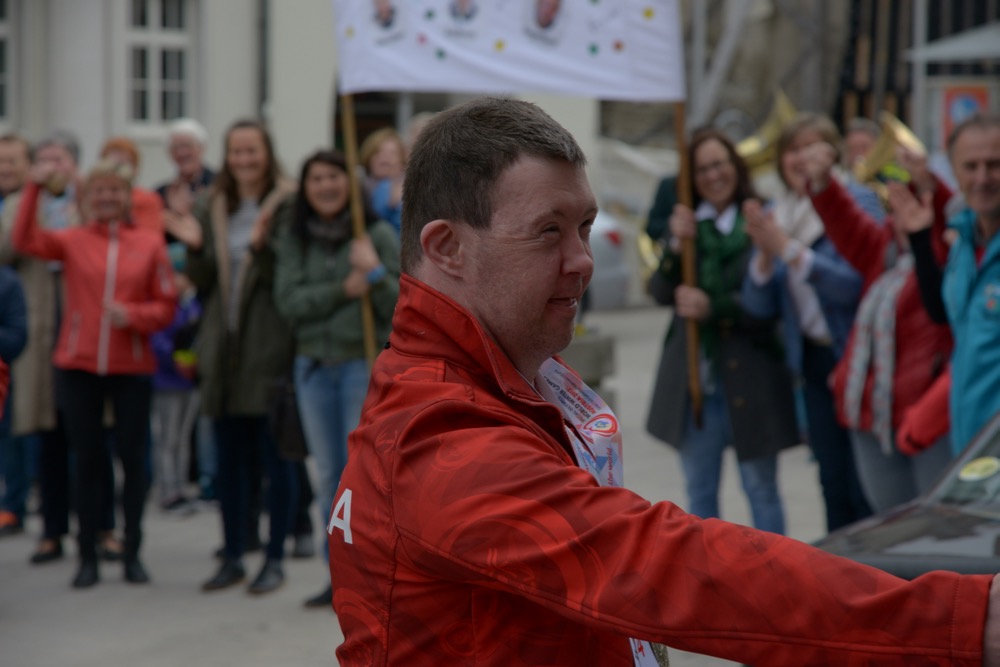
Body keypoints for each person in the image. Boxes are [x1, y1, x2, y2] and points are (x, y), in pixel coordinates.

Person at [325, 97, 1000, 665]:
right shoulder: (437, 432)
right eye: (548, 232)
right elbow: (666, 565)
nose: (583, 260)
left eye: (585, 226)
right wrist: (966, 619)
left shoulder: (490, 379)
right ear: (447, 247)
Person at [13, 158, 177, 588]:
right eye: (99, 190)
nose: (107, 198)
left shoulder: (149, 243)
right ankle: (86, 554)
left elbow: (166, 305)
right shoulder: (72, 239)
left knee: (133, 462)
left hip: (131, 367)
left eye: (114, 190)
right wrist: (33, 188)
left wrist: (134, 315)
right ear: (86, 197)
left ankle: (132, 551)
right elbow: (23, 239)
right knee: (86, 461)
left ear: (127, 196)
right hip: (79, 365)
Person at [646, 127, 798, 535]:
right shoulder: (687, 226)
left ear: (736, 166)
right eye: (702, 170)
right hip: (696, 385)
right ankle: (709, 573)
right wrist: (674, 247)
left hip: (752, 376)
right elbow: (659, 292)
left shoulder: (760, 220)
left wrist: (712, 308)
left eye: (719, 164)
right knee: (700, 497)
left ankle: (773, 570)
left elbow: (769, 305)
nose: (713, 176)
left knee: (761, 490)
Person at [174, 119, 299, 595]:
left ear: (267, 153)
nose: (244, 160)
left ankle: (274, 557)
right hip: (221, 348)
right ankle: (232, 555)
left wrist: (263, 246)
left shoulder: (287, 202)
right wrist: (193, 245)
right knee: (228, 462)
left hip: (267, 345)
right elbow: (204, 279)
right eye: (236, 152)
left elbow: (285, 274)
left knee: (275, 460)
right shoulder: (213, 204)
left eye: (252, 151)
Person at [801, 132, 955, 512]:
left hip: (925, 415)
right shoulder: (885, 250)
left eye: (914, 202)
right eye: (898, 202)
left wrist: (930, 188)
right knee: (889, 520)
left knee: (933, 521)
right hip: (870, 413)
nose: (904, 212)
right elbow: (846, 224)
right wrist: (823, 183)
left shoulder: (946, 253)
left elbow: (945, 216)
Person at [272, 149, 400, 608]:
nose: (326, 185)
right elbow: (289, 302)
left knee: (359, 477)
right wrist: (343, 289)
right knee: (328, 477)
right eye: (317, 178)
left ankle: (375, 576)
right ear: (305, 188)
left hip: (358, 368)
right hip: (311, 370)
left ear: (350, 183)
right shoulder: (296, 240)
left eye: (334, 176)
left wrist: (375, 272)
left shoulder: (376, 235)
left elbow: (400, 307)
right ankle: (340, 576)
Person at [740, 113, 880, 531]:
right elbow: (757, 305)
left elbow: (854, 286)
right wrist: (765, 254)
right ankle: (839, 569)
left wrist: (788, 249)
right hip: (814, 364)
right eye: (793, 149)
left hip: (859, 359)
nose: (801, 158)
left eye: (811, 147)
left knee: (866, 485)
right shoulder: (778, 212)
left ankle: (874, 568)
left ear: (833, 152)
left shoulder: (859, 200)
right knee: (831, 482)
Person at [0, 131, 121, 565]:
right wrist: (31, 194)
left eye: (60, 159)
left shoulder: (90, 199)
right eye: (45, 159)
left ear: (75, 164)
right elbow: (7, 248)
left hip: (85, 327)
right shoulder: (19, 202)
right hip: (41, 329)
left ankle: (102, 526)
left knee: (93, 437)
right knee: (48, 435)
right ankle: (52, 531)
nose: (53, 167)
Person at [902, 113, 1000, 455]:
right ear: (954, 171)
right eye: (970, 166)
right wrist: (919, 239)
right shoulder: (963, 240)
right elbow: (950, 320)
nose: (982, 178)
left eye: (994, 165)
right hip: (971, 449)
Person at [150, 248, 202, 513]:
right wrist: (175, 359)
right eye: (176, 273)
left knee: (182, 439)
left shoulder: (191, 304)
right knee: (167, 439)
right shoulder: (163, 305)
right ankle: (167, 491)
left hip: (189, 382)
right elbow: (156, 340)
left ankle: (180, 488)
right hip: (167, 382)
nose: (181, 279)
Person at [0, 264, 27, 535]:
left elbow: (17, 339)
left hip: (4, 380)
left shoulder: (7, 282)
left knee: (9, 441)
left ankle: (11, 506)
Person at [100, 136, 165, 234]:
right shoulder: (94, 199)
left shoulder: (147, 200)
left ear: (136, 169)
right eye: (112, 165)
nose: (117, 172)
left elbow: (150, 237)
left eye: (123, 165)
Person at [359, 127, 406, 235]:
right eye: (378, 152)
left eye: (392, 153)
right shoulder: (358, 188)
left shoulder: (413, 188)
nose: (385, 157)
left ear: (402, 160)